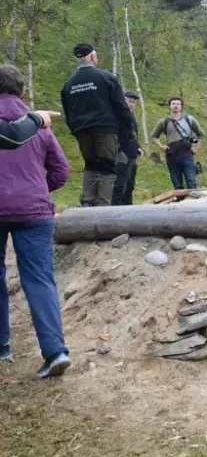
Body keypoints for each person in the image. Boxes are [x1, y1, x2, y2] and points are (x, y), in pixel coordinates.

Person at [0, 64, 72, 378]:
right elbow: (61, 171)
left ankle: (2, 345)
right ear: (21, 90)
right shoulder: (39, 123)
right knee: (40, 280)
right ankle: (55, 352)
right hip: (35, 210)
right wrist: (40, 188)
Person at [60, 43, 132, 206]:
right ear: (92, 57)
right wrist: (127, 129)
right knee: (107, 165)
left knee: (90, 164)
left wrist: (75, 130)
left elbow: (67, 113)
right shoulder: (105, 77)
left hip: (81, 130)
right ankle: (102, 206)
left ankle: (87, 201)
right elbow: (121, 107)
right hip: (105, 129)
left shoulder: (68, 85)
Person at [152, 96, 203, 190]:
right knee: (178, 186)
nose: (176, 106)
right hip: (172, 156)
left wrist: (196, 148)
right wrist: (162, 146)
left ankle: (194, 204)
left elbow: (200, 134)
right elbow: (154, 136)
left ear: (181, 106)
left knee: (192, 183)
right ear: (169, 106)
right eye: (173, 104)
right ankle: (180, 204)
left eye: (178, 104)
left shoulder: (189, 120)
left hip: (187, 155)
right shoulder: (164, 121)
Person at [112, 91, 142, 206]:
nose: (131, 104)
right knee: (119, 183)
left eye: (134, 102)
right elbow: (113, 135)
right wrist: (118, 150)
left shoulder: (132, 116)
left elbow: (132, 135)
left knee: (130, 183)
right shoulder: (116, 115)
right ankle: (116, 207)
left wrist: (138, 147)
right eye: (129, 101)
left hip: (132, 154)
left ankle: (128, 207)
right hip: (120, 154)